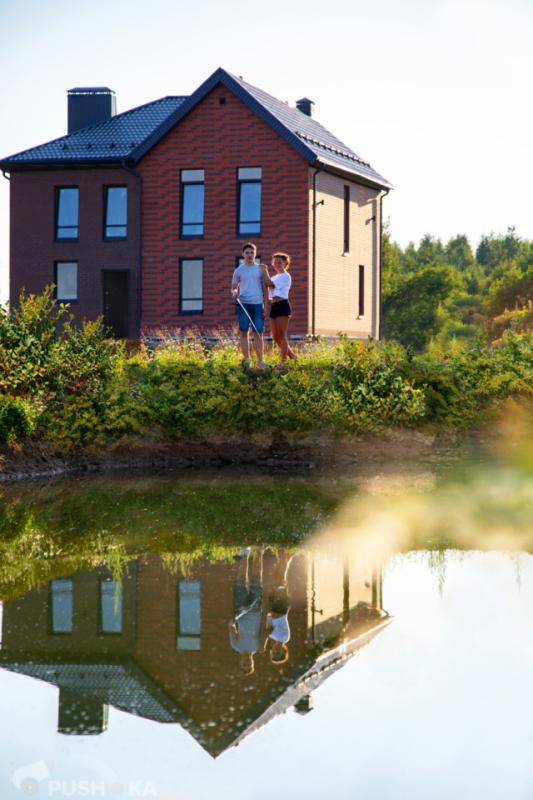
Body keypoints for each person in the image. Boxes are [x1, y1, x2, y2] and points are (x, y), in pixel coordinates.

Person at [231, 243, 269, 368]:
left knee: (258, 332)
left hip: (258, 304)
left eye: (252, 252)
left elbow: (265, 290)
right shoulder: (238, 270)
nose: (249, 255)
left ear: (255, 254)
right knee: (243, 331)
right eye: (247, 253)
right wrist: (235, 293)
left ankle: (260, 360)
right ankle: (247, 359)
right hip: (243, 304)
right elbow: (233, 288)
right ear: (243, 255)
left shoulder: (260, 269)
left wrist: (266, 307)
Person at [229, 547, 264, 675]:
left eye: (244, 664)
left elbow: (231, 628)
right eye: (249, 664)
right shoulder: (258, 647)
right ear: (253, 662)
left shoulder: (236, 646)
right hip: (256, 610)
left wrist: (231, 622)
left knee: (241, 581)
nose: (247, 662)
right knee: (257, 580)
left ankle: (245, 554)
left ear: (240, 662)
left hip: (241, 610)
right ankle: (259, 551)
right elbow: (263, 629)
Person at [262, 253, 297, 364]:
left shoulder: (286, 276)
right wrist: (266, 307)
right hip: (274, 306)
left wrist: (264, 270)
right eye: (275, 262)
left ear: (285, 264)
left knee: (282, 335)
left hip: (282, 305)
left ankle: (283, 361)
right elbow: (268, 292)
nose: (277, 264)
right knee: (275, 337)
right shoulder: (273, 277)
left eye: (279, 262)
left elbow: (269, 284)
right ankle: (294, 357)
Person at [265, 584, 291, 665]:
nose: (275, 651)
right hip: (281, 608)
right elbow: (269, 630)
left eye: (273, 653)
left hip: (273, 608)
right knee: (280, 583)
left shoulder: (273, 637)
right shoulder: (284, 638)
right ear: (284, 651)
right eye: (278, 653)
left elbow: (269, 617)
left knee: (273, 585)